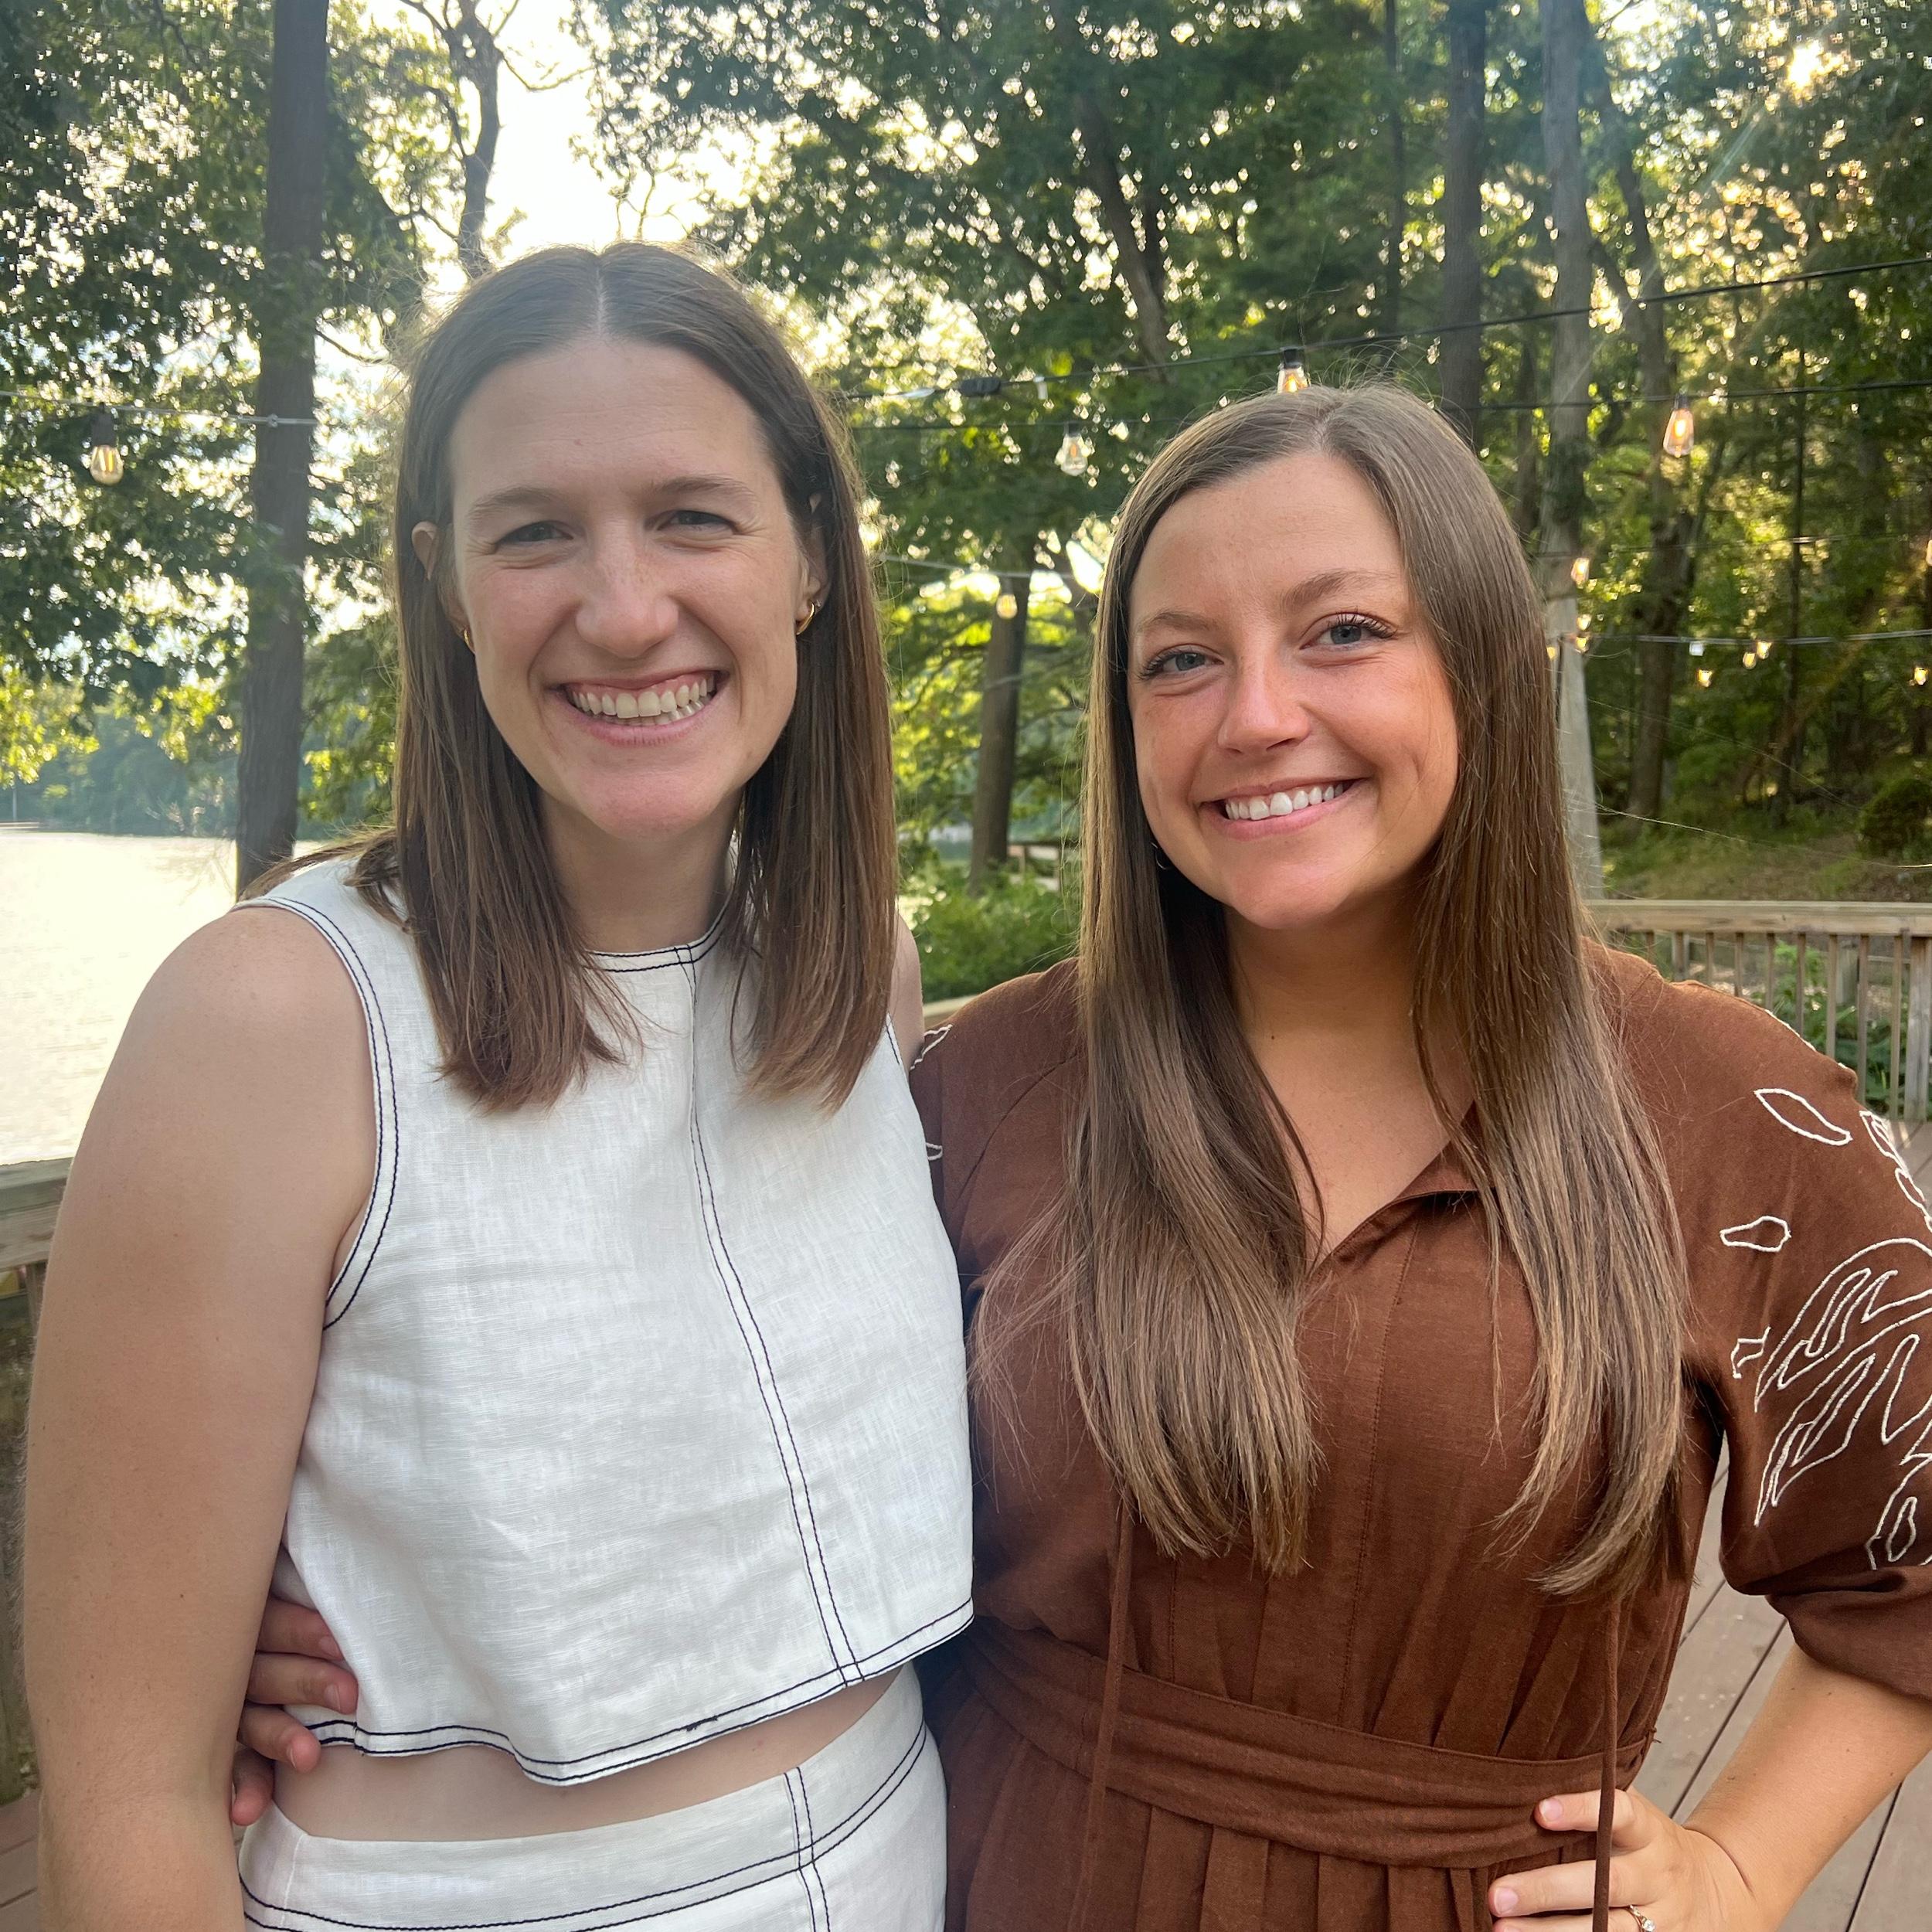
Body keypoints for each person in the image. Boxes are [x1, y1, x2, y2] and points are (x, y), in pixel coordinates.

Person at [234, 382, 1932, 1930]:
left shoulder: (1726, 1113)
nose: (1253, 714)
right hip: (1000, 1875)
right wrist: (318, 1591)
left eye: (1341, 631)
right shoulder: (985, 1080)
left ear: (1480, 665)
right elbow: (705, 1397)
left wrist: (1740, 1864)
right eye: (1178, 661)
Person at [23, 243, 971, 1932]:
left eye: (692, 516)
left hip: (903, 1855)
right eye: (533, 532)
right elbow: (127, 1800)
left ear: (813, 556)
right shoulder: (279, 1020)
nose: (623, 607)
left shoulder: (854, 982)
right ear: (446, 585)